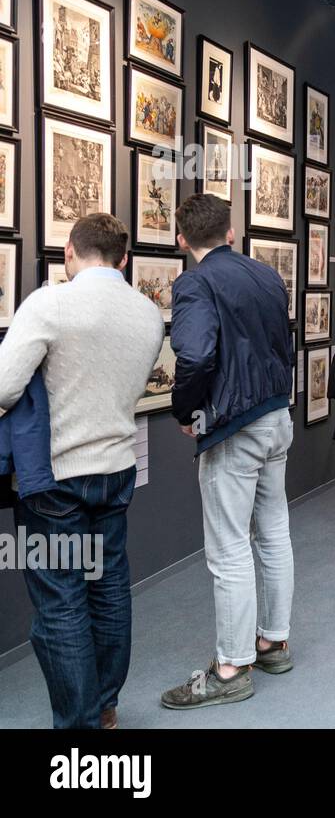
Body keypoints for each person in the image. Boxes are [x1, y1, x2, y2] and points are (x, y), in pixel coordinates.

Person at [0, 214, 162, 729]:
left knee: (61, 602)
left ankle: (79, 726)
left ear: (69, 251)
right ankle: (105, 705)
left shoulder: (51, 303)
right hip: (117, 470)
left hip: (56, 478)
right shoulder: (148, 313)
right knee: (108, 585)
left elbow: (3, 388)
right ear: (125, 258)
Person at [162, 193, 295, 710]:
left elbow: (193, 356)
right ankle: (273, 641)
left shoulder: (195, 281)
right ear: (232, 233)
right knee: (274, 532)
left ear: (182, 241)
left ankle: (232, 666)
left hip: (233, 427)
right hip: (275, 417)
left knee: (229, 549)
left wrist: (185, 412)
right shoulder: (265, 275)